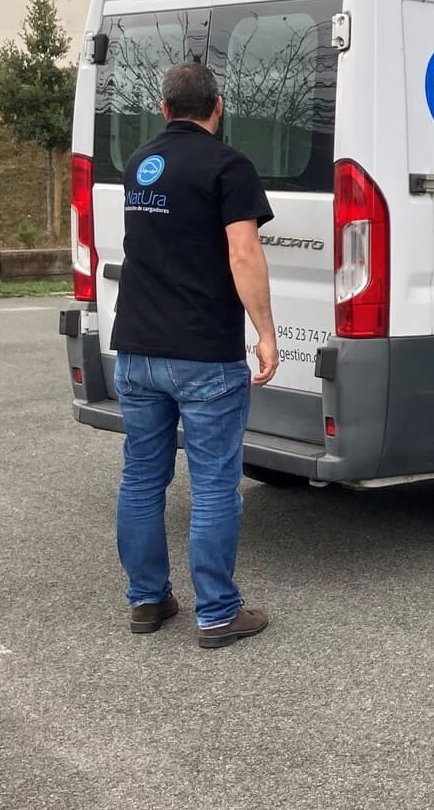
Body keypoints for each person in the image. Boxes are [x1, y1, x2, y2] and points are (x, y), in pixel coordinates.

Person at [110, 62, 279, 650]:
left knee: (141, 479)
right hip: (202, 351)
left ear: (163, 109)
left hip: (135, 348)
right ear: (219, 106)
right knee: (211, 486)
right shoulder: (227, 166)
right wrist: (266, 331)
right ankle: (217, 613)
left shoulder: (140, 164)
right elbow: (243, 253)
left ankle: (147, 600)